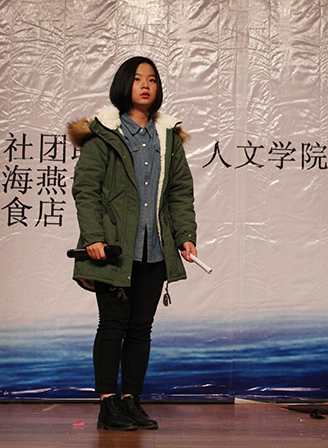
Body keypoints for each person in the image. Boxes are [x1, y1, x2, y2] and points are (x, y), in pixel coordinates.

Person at [68, 56, 198, 431]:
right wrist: (94, 237)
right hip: (112, 249)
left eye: (152, 79)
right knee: (112, 325)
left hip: (154, 249)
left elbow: (180, 192)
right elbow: (86, 190)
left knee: (142, 328)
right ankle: (108, 404)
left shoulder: (168, 137)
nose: (145, 85)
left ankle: (131, 401)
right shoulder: (104, 134)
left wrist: (185, 235)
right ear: (124, 85)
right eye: (138, 79)